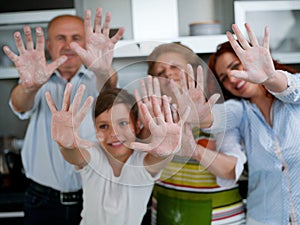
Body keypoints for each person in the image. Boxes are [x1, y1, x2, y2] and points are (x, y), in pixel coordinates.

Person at [2, 7, 124, 225]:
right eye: (61, 38)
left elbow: (110, 89)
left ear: (87, 43)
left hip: (93, 196)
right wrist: (30, 87)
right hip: (42, 201)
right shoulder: (36, 79)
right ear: (49, 45)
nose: (68, 45)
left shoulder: (98, 78)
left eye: (76, 38)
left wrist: (103, 69)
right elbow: (19, 105)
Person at [45, 83, 189, 225]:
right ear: (95, 129)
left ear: (137, 124)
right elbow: (75, 156)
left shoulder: (141, 161)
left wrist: (166, 152)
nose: (114, 133)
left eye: (123, 123)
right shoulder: (94, 152)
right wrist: (66, 146)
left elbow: (158, 159)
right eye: (104, 126)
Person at [206, 23, 299, 224]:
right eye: (224, 77)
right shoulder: (241, 111)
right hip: (264, 218)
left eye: (235, 67)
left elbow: (291, 90)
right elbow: (216, 119)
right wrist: (199, 115)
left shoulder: (294, 89)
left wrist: (270, 77)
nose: (232, 77)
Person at [145, 43, 246, 225]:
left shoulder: (218, 114)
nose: (168, 73)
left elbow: (232, 170)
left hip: (219, 218)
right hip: (167, 213)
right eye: (160, 72)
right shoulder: (151, 119)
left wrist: (195, 151)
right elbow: (143, 169)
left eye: (175, 67)